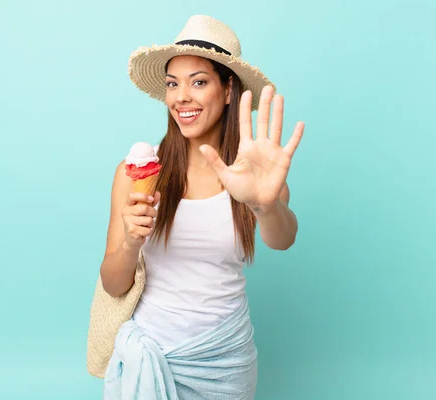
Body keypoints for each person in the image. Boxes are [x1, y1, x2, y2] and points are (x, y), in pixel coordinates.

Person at [100, 15, 305, 399]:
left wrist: (264, 206)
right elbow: (114, 284)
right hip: (152, 354)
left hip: (224, 360)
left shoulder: (253, 171)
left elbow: (283, 239)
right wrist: (130, 242)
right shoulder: (136, 175)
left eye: (198, 82)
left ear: (228, 90)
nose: (181, 97)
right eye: (172, 84)